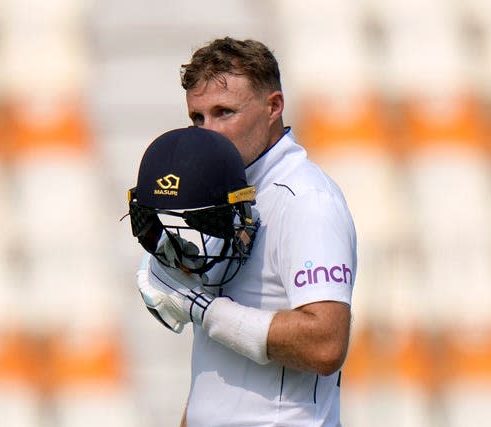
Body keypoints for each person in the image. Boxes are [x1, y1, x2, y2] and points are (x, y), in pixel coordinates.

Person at [134, 37, 357, 427]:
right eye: (198, 118)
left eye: (224, 112)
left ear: (273, 107)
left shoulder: (305, 199)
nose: (208, 133)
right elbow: (217, 372)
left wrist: (202, 309)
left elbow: (326, 343)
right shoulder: (221, 194)